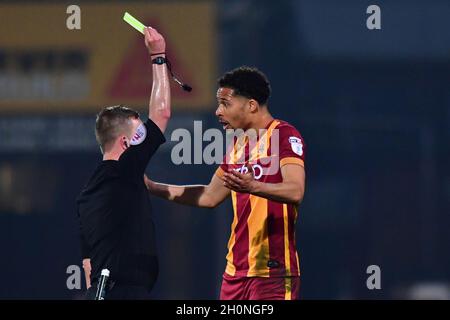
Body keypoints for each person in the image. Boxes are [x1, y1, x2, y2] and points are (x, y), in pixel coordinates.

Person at [145, 67, 306, 300]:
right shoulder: (238, 146)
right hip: (234, 274)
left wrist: (254, 187)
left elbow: (296, 190)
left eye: (225, 104)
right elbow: (209, 196)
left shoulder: (285, 136)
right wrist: (152, 187)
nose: (218, 111)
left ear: (251, 105)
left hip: (273, 272)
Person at [76, 26, 171, 300]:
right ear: (127, 144)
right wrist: (158, 55)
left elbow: (87, 266)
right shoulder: (125, 171)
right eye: (140, 133)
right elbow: (162, 113)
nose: (144, 137)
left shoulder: (85, 196)